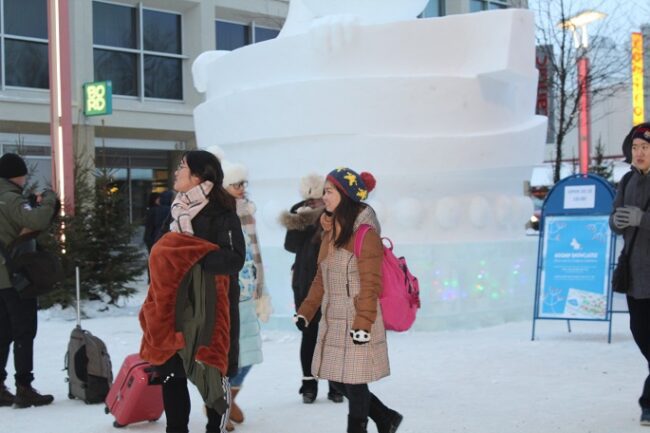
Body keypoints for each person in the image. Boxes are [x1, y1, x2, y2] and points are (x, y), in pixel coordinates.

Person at [139, 150, 245, 433]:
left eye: (182, 167)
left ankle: (214, 428)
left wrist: (189, 257)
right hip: (175, 308)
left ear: (198, 176)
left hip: (210, 312)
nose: (176, 172)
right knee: (172, 374)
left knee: (212, 372)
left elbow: (234, 259)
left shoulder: (223, 213)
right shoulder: (176, 210)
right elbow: (161, 252)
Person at [294, 167, 402, 433]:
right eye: (324, 191)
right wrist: (306, 310)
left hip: (357, 317)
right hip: (334, 318)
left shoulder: (365, 233)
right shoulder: (331, 229)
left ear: (346, 194)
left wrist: (363, 324)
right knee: (337, 378)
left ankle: (361, 427)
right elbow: (322, 276)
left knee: (353, 381)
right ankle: (386, 418)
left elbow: (370, 284)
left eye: (329, 191)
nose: (324, 196)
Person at [0, 153, 58, 408]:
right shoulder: (10, 198)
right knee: (24, 331)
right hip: (15, 276)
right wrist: (49, 199)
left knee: (2, 332)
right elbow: (37, 220)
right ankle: (24, 387)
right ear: (17, 175)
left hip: (1, 278)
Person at [280, 173, 344, 404]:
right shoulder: (299, 214)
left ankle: (336, 385)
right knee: (309, 334)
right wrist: (300, 221)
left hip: (332, 283)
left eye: (317, 198)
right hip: (304, 282)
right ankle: (309, 384)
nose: (314, 203)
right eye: (310, 200)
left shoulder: (336, 214)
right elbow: (290, 246)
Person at [220, 158, 272, 431]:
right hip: (229, 293)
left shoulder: (246, 211)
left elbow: (255, 251)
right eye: (235, 184)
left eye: (243, 183)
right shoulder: (218, 214)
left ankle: (228, 398)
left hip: (248, 290)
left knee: (248, 354)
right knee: (231, 354)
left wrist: (261, 288)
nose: (241, 188)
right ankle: (220, 404)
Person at [610, 122, 650, 426]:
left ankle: (648, 403)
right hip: (635, 276)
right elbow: (614, 219)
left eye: (645, 147)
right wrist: (618, 221)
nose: (639, 153)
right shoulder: (626, 181)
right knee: (641, 333)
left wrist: (642, 219)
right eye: (635, 147)